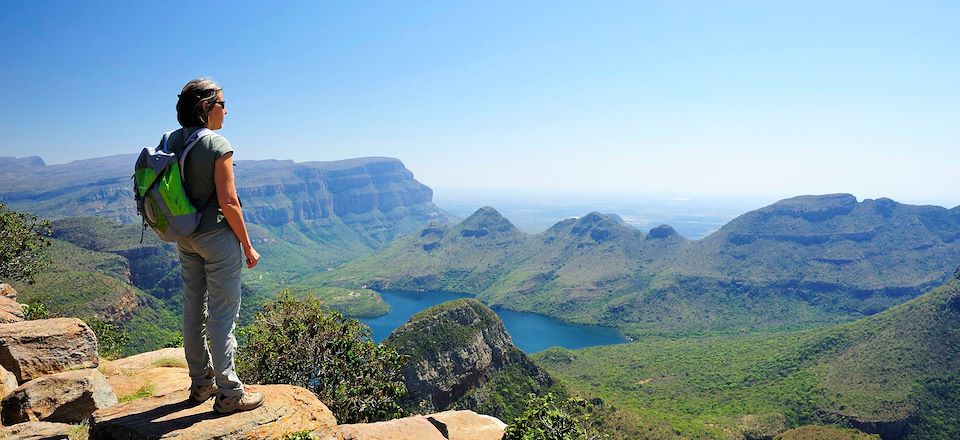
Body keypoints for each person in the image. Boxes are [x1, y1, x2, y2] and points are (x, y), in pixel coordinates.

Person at [170, 78, 264, 413]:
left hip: (184, 236)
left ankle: (201, 383)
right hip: (217, 239)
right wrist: (248, 246)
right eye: (223, 103)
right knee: (223, 316)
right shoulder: (216, 144)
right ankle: (230, 393)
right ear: (206, 106)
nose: (227, 110)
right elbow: (229, 202)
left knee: (193, 311)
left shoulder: (170, 140)